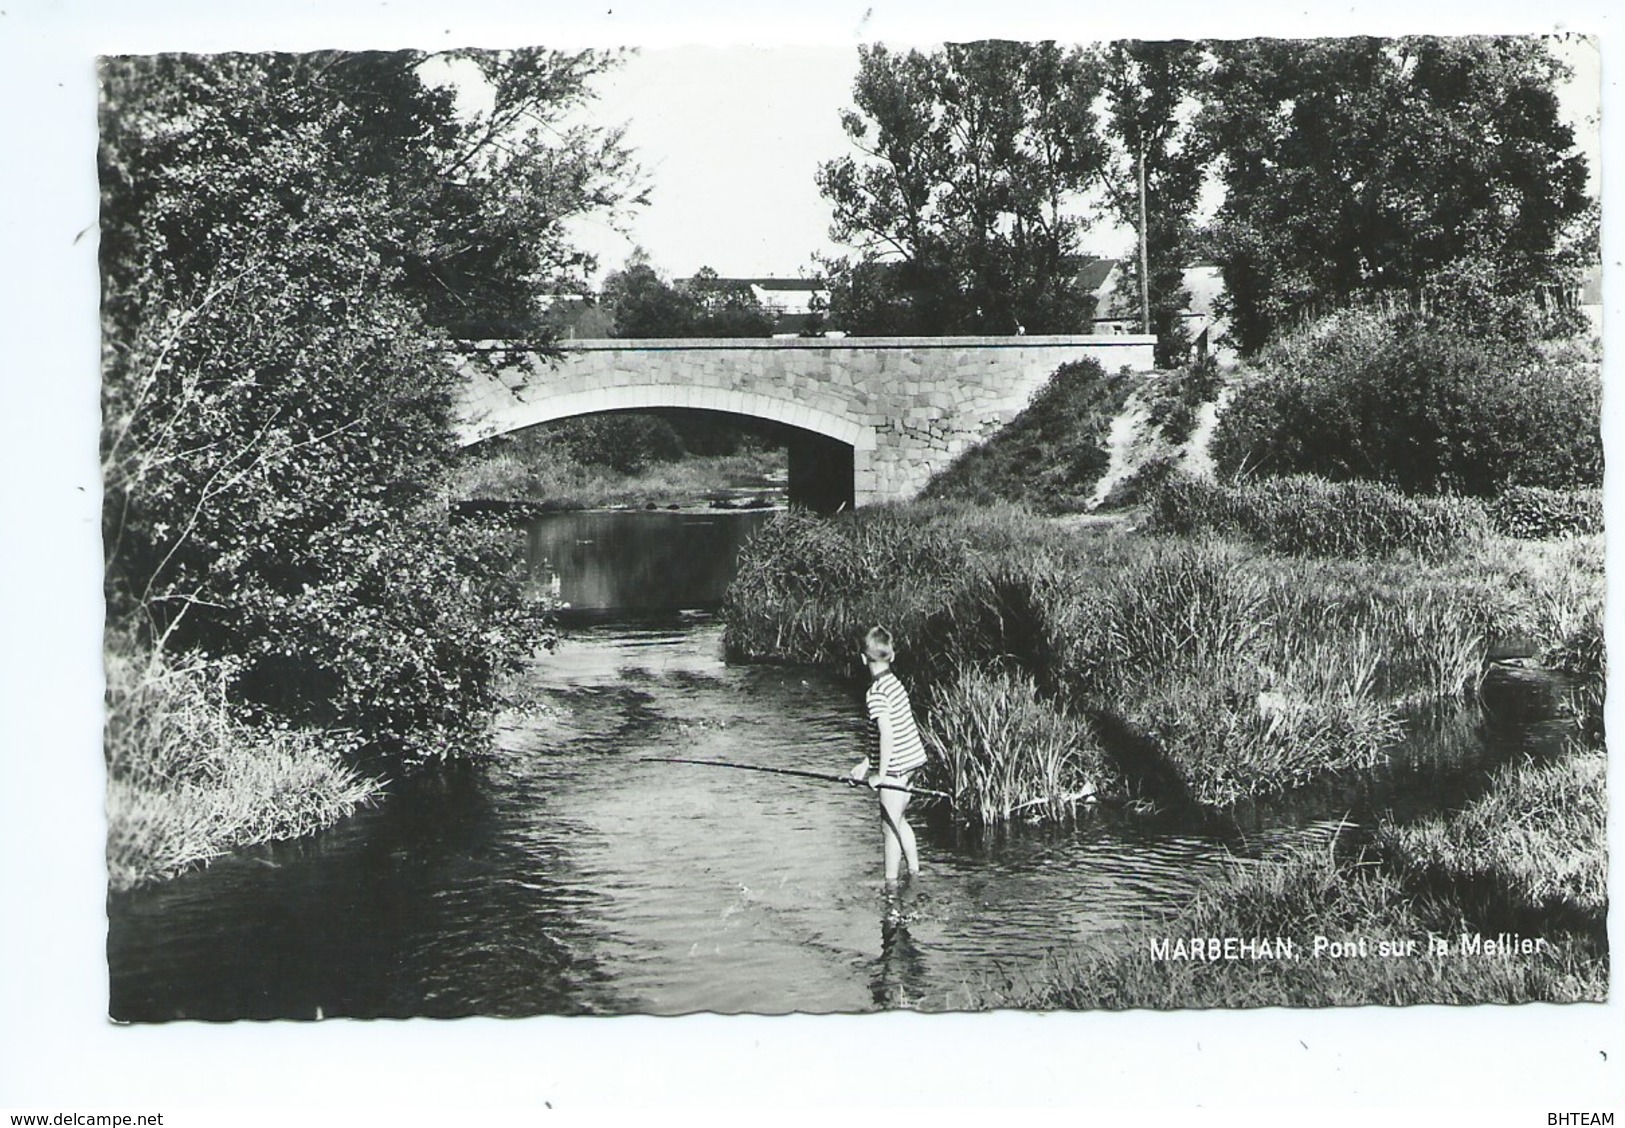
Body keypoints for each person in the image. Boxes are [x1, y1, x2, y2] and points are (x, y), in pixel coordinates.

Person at [847, 625, 928, 886]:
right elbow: (888, 733)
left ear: (863, 659)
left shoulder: (875, 693)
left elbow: (887, 733)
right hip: (912, 760)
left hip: (895, 768)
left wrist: (880, 775)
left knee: (888, 827)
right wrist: (865, 764)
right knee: (899, 819)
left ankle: (890, 886)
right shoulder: (894, 684)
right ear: (892, 656)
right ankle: (915, 872)